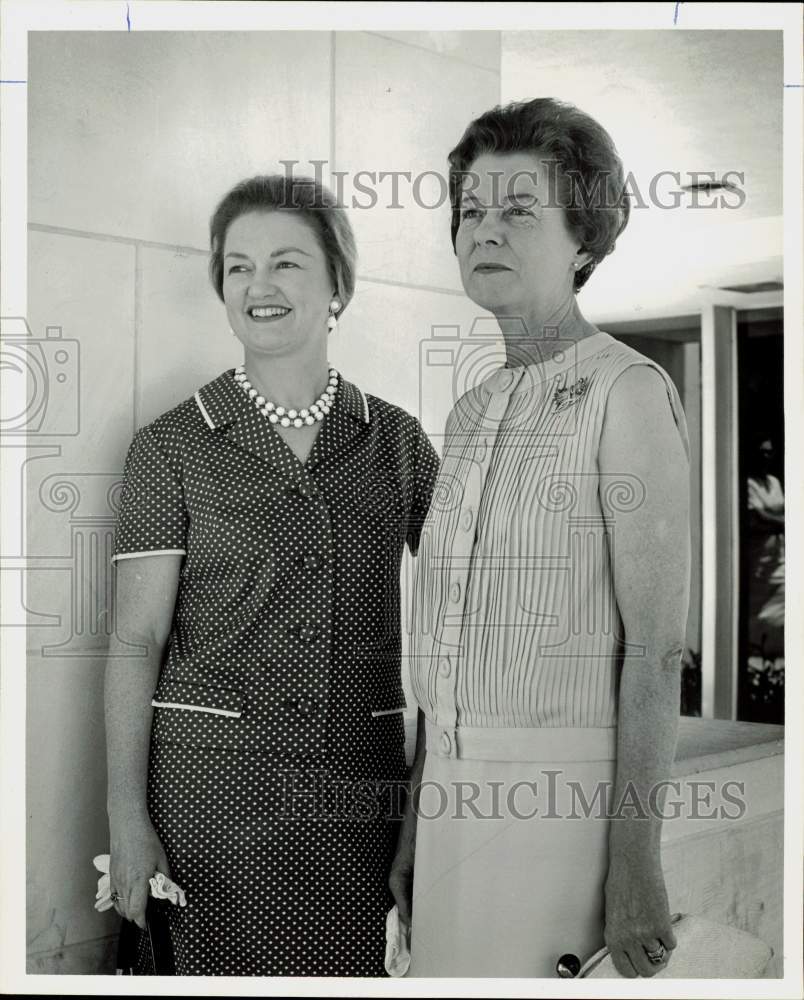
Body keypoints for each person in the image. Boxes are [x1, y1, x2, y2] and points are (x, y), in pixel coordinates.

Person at [105, 174, 439, 976]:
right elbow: (135, 639)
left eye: (287, 263)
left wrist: (426, 805)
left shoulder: (396, 442)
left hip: (360, 796)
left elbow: (471, 618)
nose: (259, 285)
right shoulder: (171, 447)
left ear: (337, 285)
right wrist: (125, 817)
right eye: (237, 266)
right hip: (206, 798)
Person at [390, 98, 691, 978]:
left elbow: (657, 653)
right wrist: (419, 821)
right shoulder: (472, 410)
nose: (486, 230)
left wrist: (637, 864)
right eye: (472, 211)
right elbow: (444, 662)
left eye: (520, 210)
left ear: (585, 242)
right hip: (447, 802)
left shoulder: (626, 394)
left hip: (562, 809)